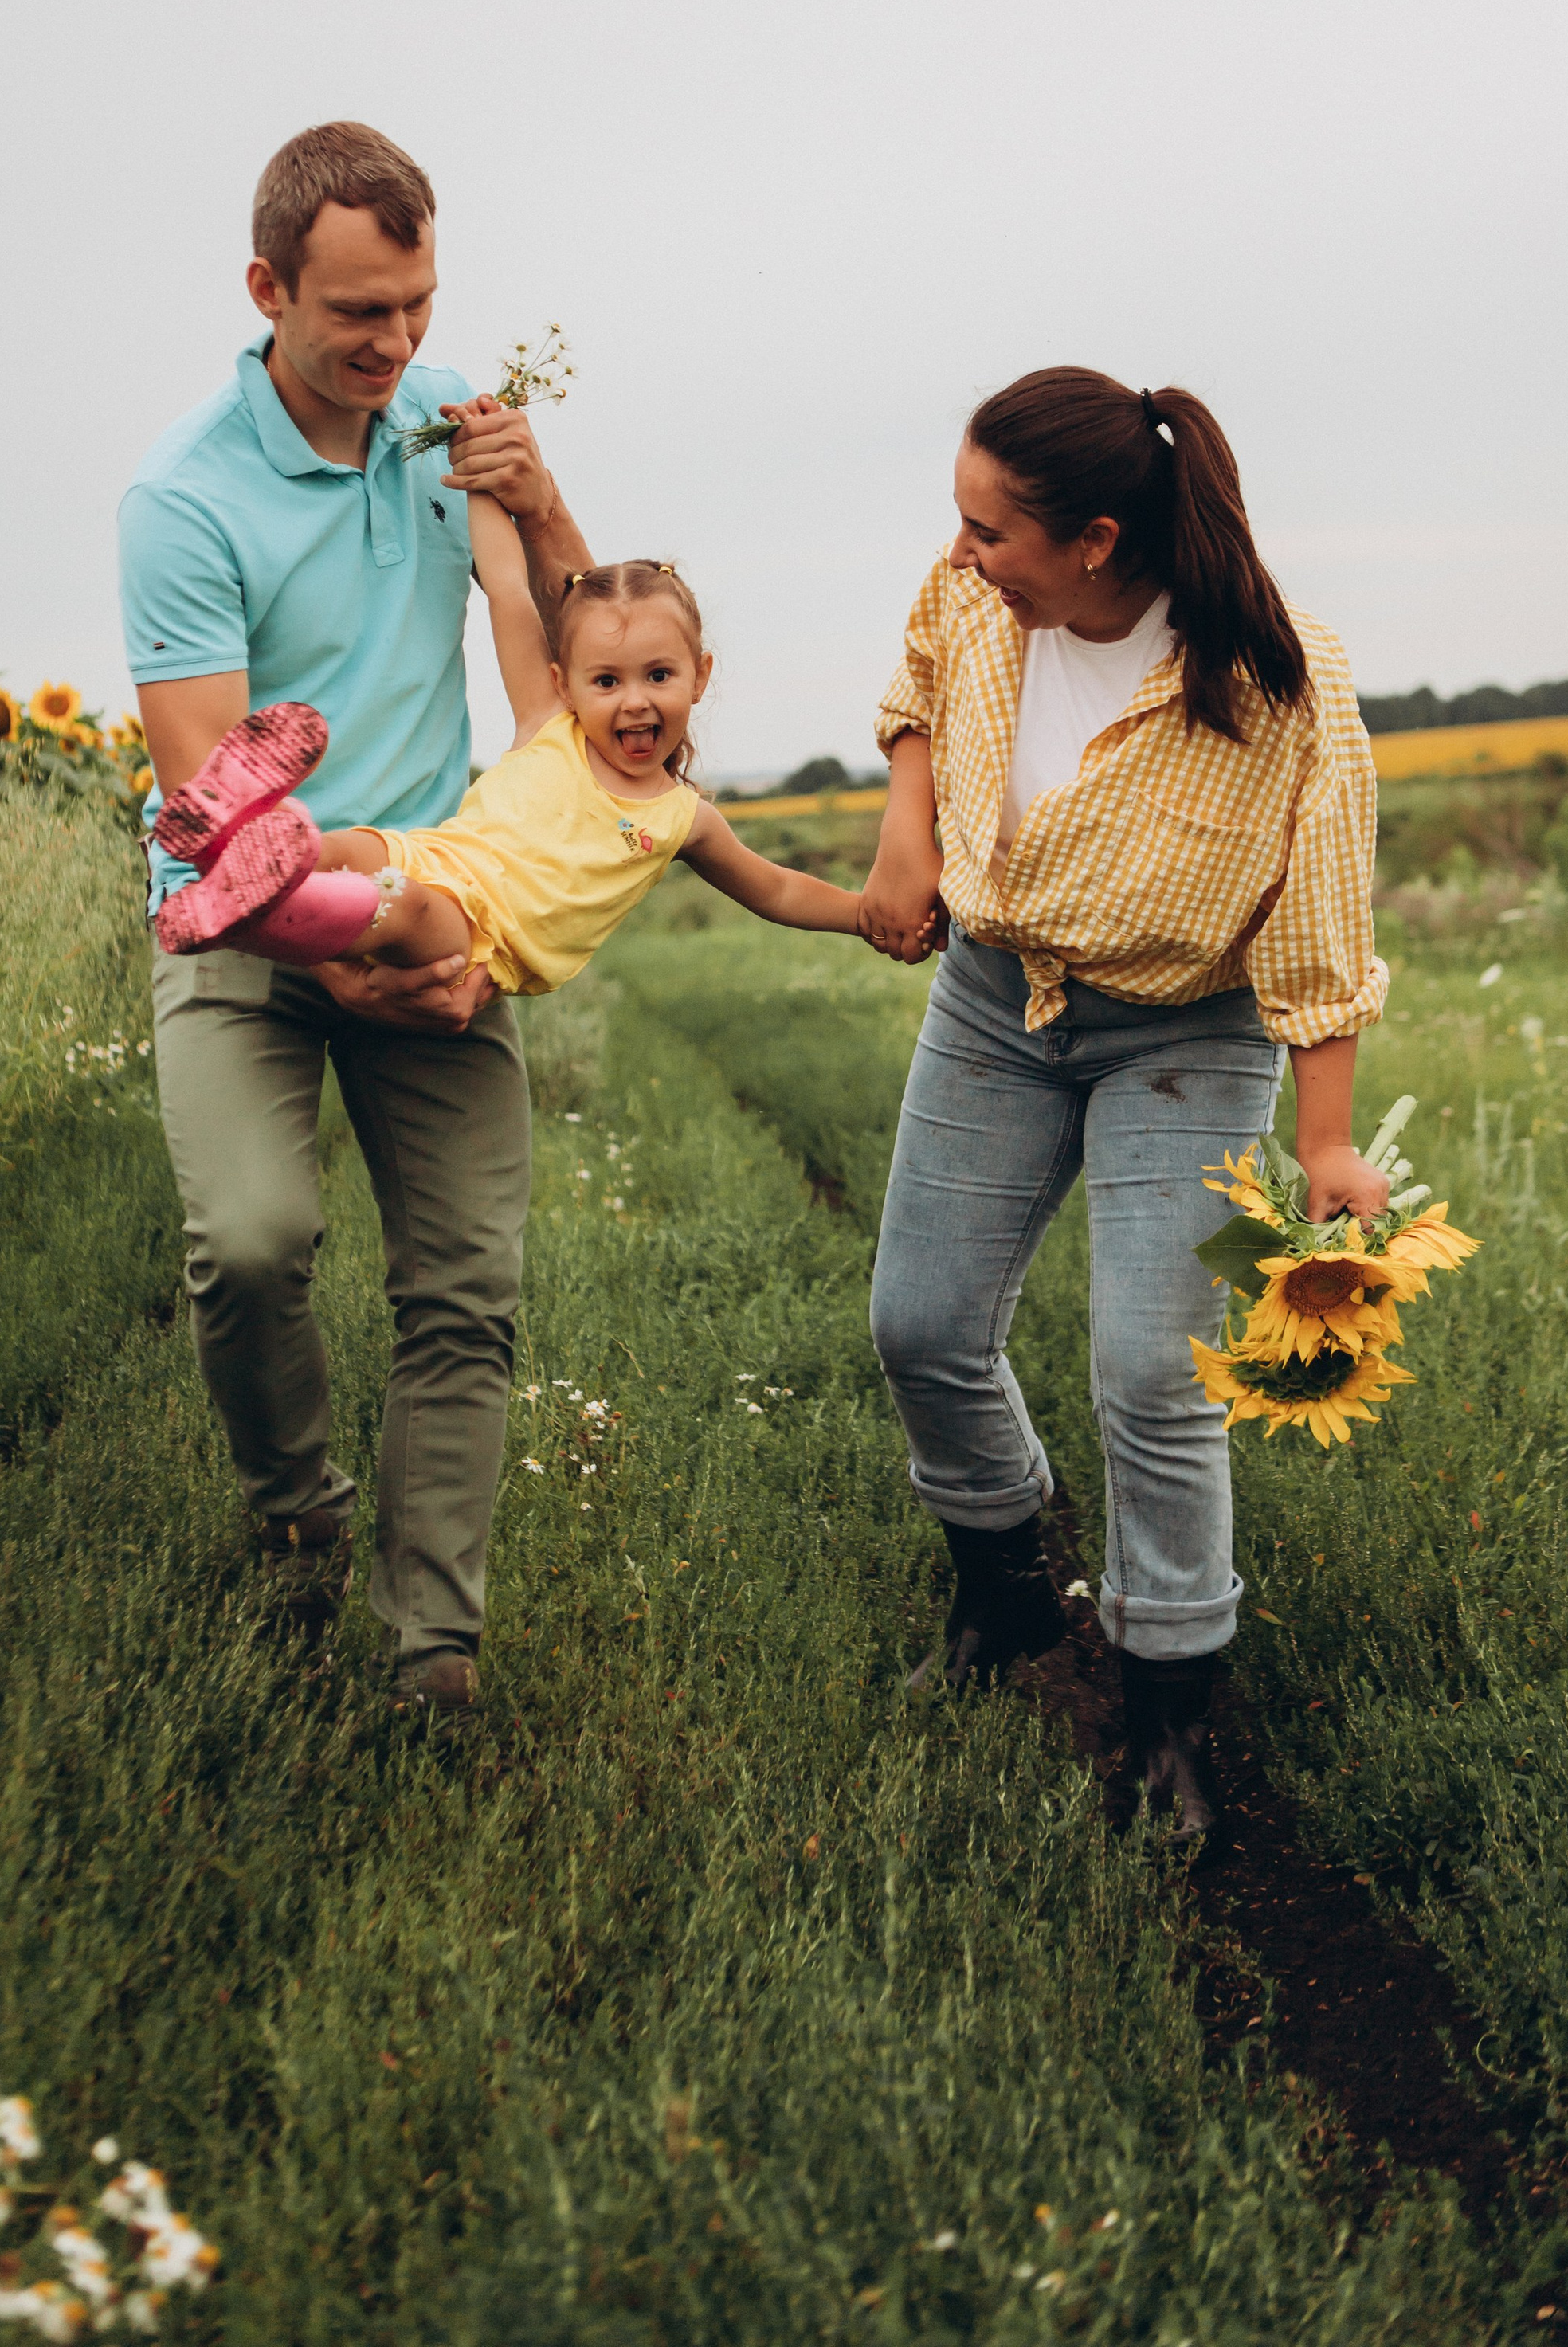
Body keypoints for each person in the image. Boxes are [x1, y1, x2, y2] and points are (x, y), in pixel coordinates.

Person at [859, 366, 1389, 1832]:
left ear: (1093, 539)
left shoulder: (1280, 684)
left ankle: (1168, 1710)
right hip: (994, 995)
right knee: (919, 1327)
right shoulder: (972, 599)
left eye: (990, 532)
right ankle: (1008, 1602)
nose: (963, 552)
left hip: (1186, 1029)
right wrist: (909, 832)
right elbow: (915, 682)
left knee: (1153, 1373)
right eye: (960, 522)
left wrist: (1328, 1141)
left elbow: (1322, 918)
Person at [118, 120, 594, 1717]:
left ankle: (428, 1650)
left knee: (464, 1286)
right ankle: (291, 1515)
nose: (393, 345)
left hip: (431, 912)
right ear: (266, 288)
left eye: (415, 304)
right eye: (355, 316)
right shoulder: (182, 500)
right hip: (244, 927)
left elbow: (564, 705)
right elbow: (220, 816)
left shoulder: (449, 432)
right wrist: (361, 939)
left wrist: (546, 511)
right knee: (248, 1244)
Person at [148, 555, 869, 984]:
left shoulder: (684, 819)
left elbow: (775, 887)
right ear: (565, 684)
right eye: (607, 682)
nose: (635, 702)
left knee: (404, 905)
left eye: (658, 675)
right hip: (430, 852)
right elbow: (505, 586)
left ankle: (250, 883)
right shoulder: (546, 729)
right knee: (348, 851)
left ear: (699, 675)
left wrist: (865, 915)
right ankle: (244, 849)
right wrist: (479, 470)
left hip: (480, 933)